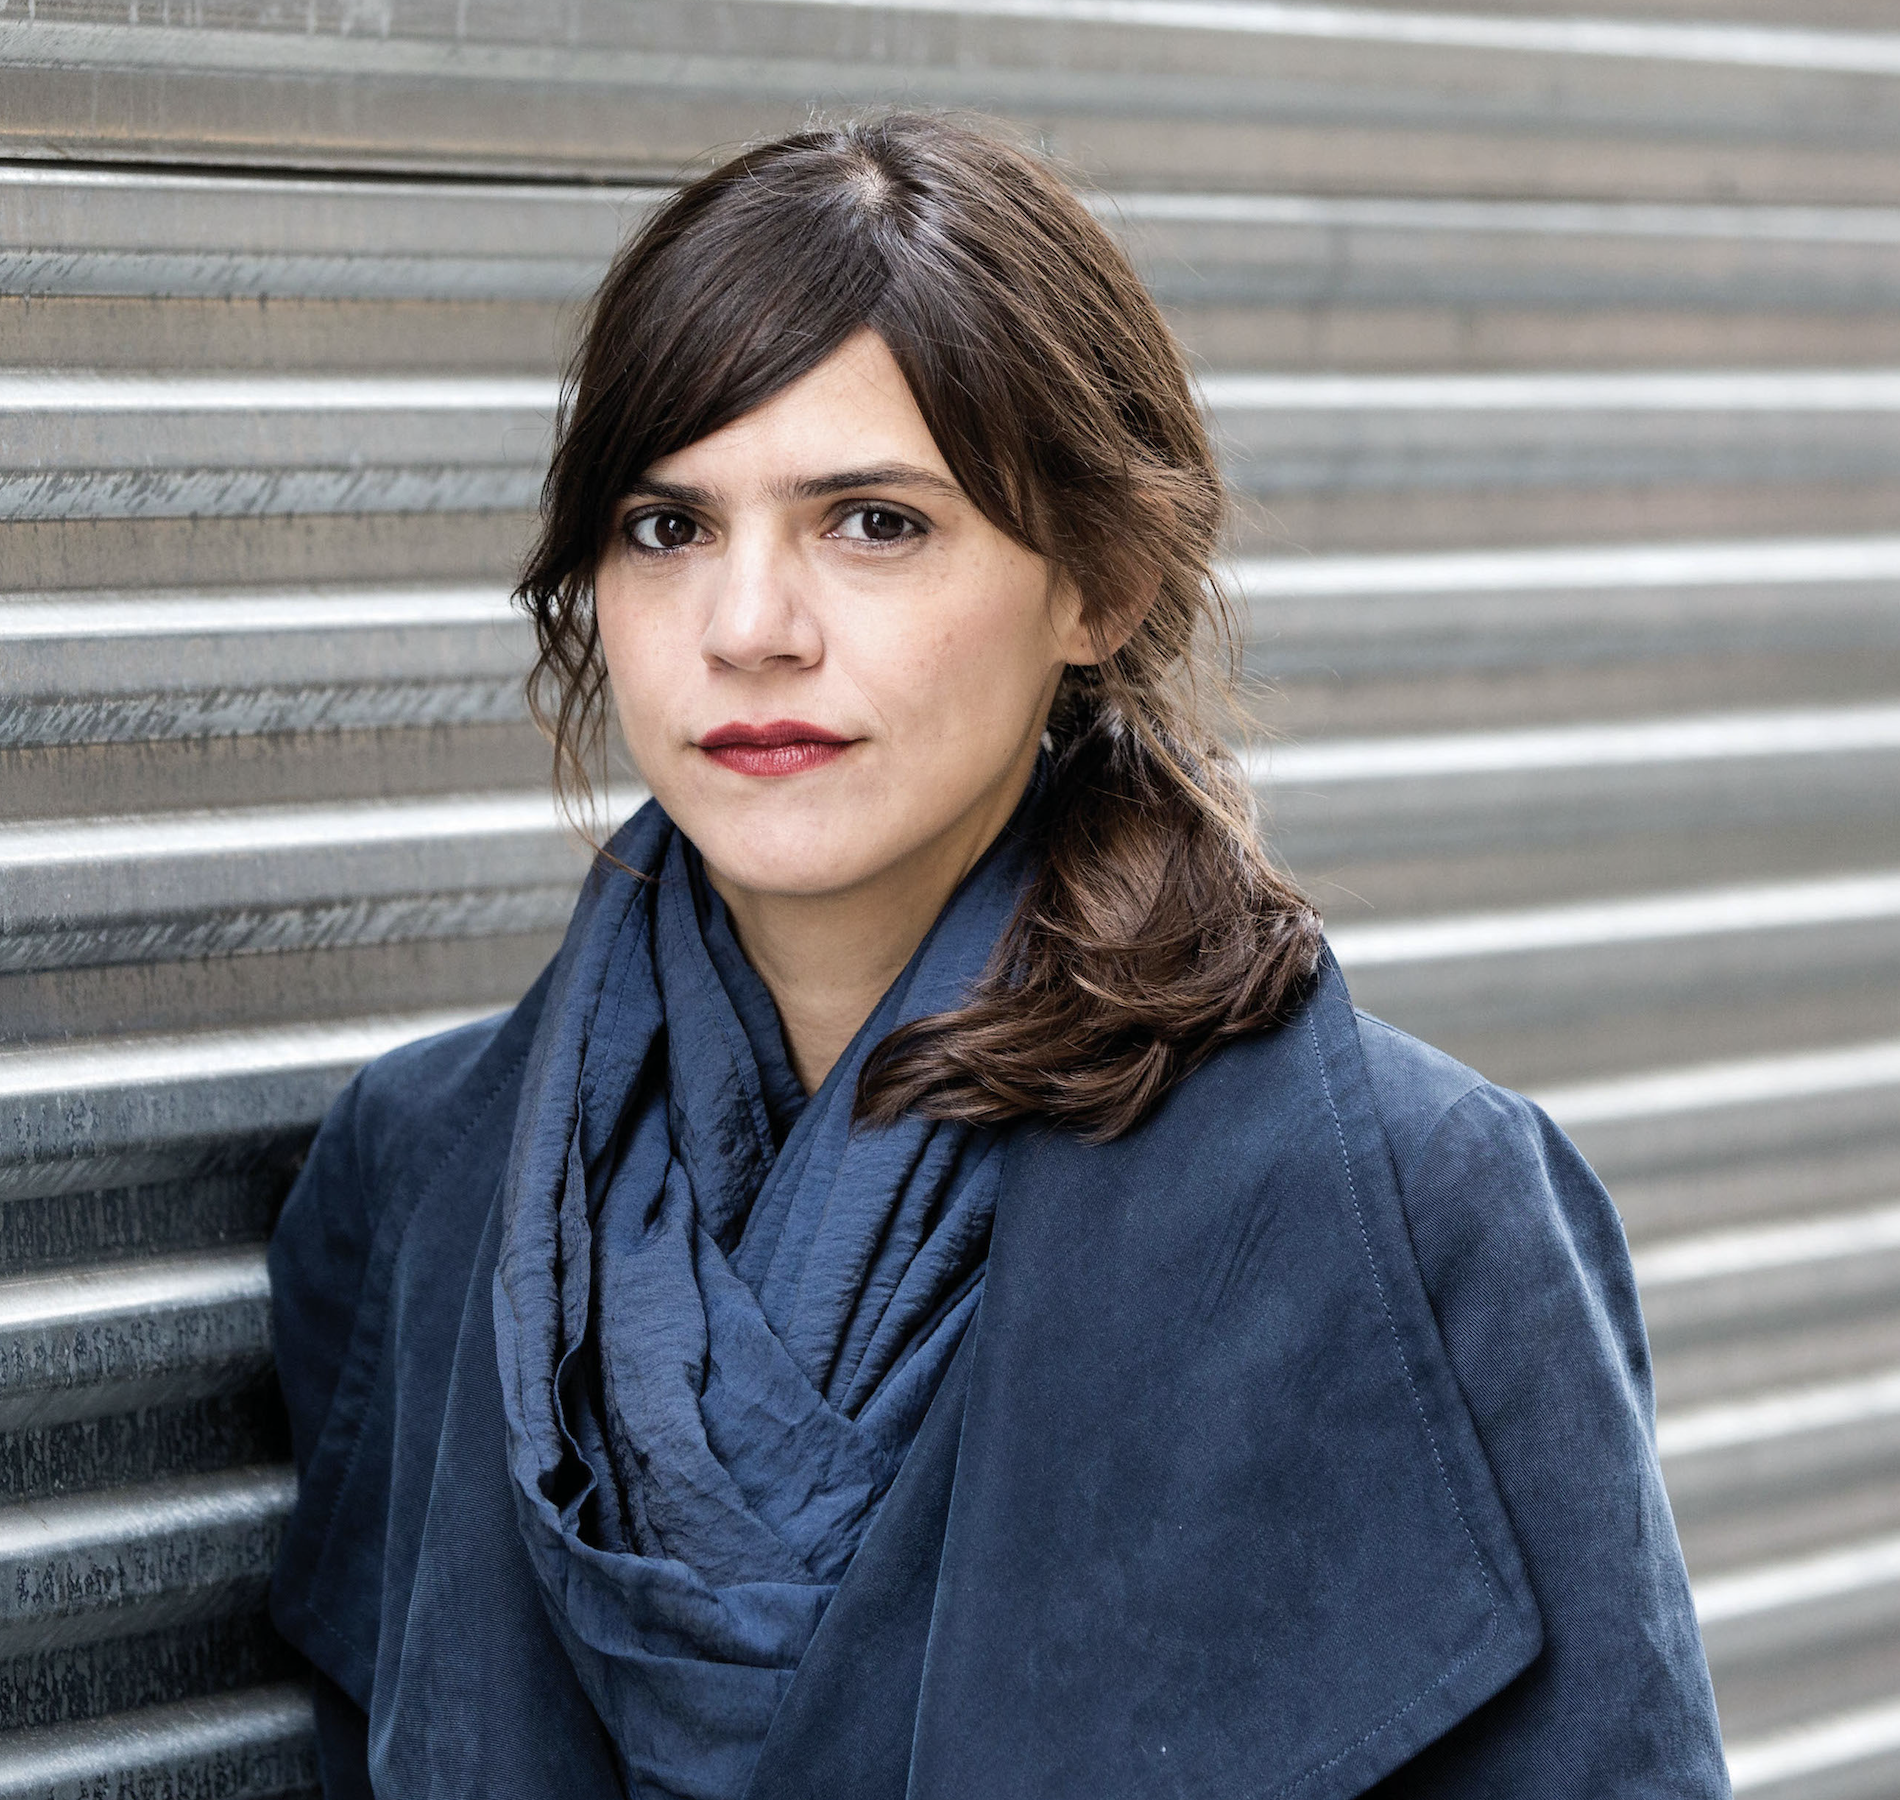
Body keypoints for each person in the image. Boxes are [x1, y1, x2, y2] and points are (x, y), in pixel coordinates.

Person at [268, 113, 1729, 1799]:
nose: (749, 625)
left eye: (872, 521)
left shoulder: (1419, 1209)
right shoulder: (429, 1183)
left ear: (1098, 579)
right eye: (669, 526)